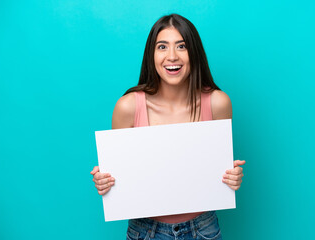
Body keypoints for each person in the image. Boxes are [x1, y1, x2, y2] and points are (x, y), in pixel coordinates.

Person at [90, 14, 245, 240]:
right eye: (162, 46)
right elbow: (119, 177)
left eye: (181, 46)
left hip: (203, 229)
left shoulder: (218, 103)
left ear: (194, 53)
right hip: (145, 231)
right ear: (151, 55)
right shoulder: (128, 107)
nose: (172, 56)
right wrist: (105, 181)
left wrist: (232, 177)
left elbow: (219, 169)